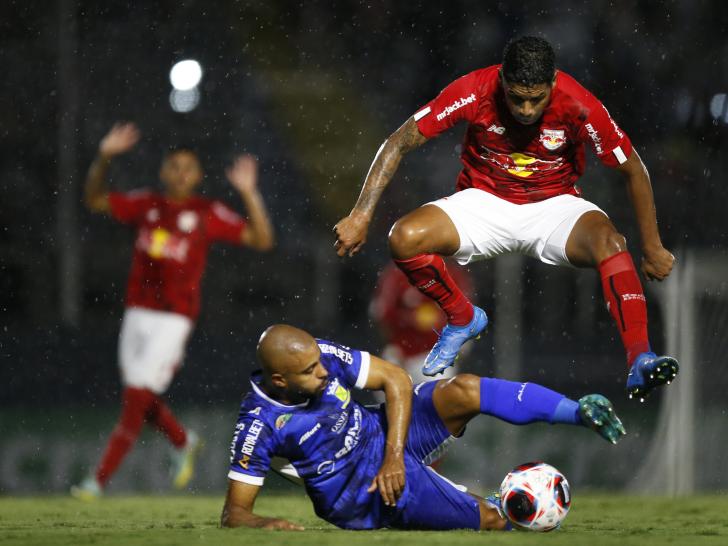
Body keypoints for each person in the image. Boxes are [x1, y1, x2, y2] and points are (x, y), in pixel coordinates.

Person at [333, 36, 678, 400]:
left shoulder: (579, 104)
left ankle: (640, 356)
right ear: (501, 81)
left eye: (537, 99)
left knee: (611, 243)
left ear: (553, 84)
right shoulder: (474, 89)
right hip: (484, 201)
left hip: (554, 205)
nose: (526, 109)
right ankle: (462, 317)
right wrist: (360, 214)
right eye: (517, 98)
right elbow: (399, 140)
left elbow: (633, 169)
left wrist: (653, 246)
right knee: (403, 237)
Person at [220, 324, 626, 531]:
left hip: (384, 438)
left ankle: (578, 412)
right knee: (490, 520)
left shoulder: (320, 356)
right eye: (310, 372)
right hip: (361, 491)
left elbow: (395, 379)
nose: (325, 371)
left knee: (463, 389)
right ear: (279, 381)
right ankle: (493, 507)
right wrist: (264, 523)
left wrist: (394, 454)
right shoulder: (259, 425)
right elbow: (234, 513)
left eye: (319, 361)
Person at [71, 122, 275, 500]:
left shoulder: (206, 212)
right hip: (137, 312)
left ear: (198, 175)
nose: (181, 174)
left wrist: (249, 193)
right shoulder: (147, 204)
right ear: (163, 171)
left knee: (135, 398)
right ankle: (184, 441)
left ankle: (96, 481)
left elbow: (262, 239)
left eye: (188, 168)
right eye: (174, 166)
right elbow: (94, 199)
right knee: (141, 396)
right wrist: (103, 157)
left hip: (174, 316)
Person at [370, 262, 474, 384]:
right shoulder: (397, 274)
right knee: (389, 392)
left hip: (437, 356)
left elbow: (467, 320)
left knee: (436, 396)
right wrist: (409, 319)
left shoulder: (453, 275)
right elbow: (381, 313)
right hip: (400, 355)